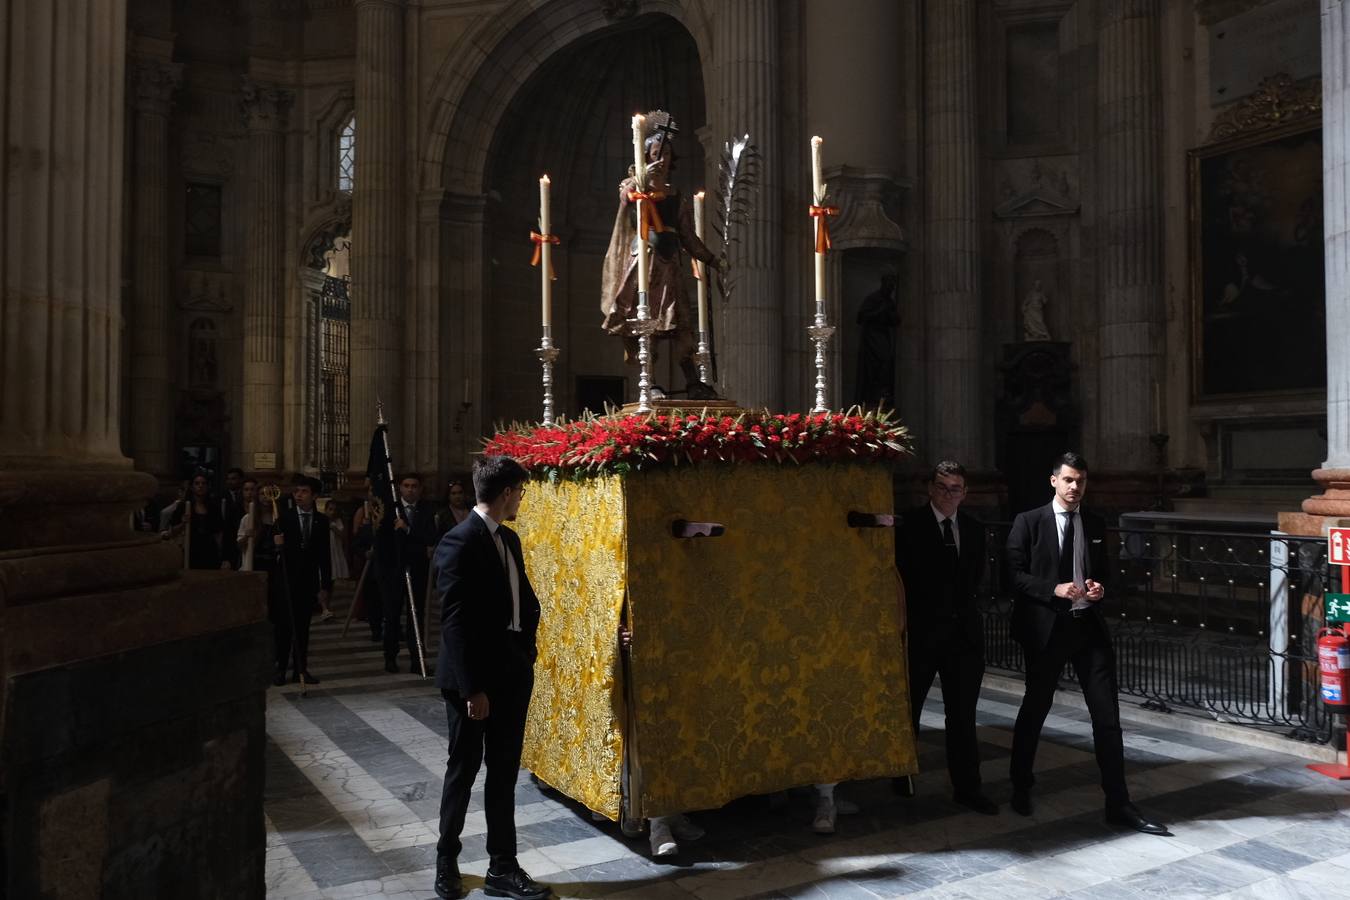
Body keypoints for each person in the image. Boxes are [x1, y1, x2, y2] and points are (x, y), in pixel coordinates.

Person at [1005, 452, 1167, 835]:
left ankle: (1118, 803)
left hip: (1087, 628)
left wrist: (1098, 588)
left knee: (1107, 718)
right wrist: (1053, 588)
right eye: (1068, 480)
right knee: (1035, 709)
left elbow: (1105, 572)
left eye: (1080, 481)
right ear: (1054, 481)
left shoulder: (1093, 522)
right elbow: (1012, 574)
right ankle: (1021, 786)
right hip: (1047, 630)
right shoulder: (1029, 521)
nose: (1075, 487)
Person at [431, 456, 548, 900]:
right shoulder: (458, 541)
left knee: (503, 773)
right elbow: (454, 622)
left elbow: (522, 603)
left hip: (511, 674)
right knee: (463, 770)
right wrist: (472, 688)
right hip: (473, 682)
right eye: (520, 492)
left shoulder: (509, 539)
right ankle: (446, 861)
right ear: (506, 493)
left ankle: (503, 866)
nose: (521, 500)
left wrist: (525, 652)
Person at [895, 461, 995, 815]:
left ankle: (968, 788)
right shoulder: (909, 526)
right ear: (930, 488)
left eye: (955, 488)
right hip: (921, 634)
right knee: (909, 711)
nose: (948, 494)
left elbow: (974, 581)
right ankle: (901, 776)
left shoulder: (974, 528)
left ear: (965, 493)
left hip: (963, 638)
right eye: (942, 486)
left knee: (963, 717)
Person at [599, 109, 719, 398]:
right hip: (645, 262)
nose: (662, 159)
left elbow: (688, 236)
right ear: (646, 156)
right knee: (647, 320)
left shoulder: (675, 195)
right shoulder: (631, 186)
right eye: (656, 153)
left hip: (670, 265)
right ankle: (649, 381)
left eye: (666, 153)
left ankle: (693, 382)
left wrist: (713, 260)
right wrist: (642, 179)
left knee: (682, 322)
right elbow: (626, 200)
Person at [377, 473, 438, 674]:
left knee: (416, 615)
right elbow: (382, 540)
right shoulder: (390, 510)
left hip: (417, 569)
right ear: (400, 488)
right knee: (392, 615)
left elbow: (430, 537)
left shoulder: (427, 510)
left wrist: (408, 529)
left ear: (420, 489)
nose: (410, 490)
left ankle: (417, 659)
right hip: (394, 570)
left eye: (414, 486)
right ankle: (390, 657)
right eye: (406, 485)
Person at [274, 475, 332, 686]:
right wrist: (277, 545)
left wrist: (325, 585)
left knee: (302, 628)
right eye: (296, 491)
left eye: (304, 491)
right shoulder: (284, 518)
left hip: (307, 582)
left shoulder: (321, 521)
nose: (299, 495)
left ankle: (301, 669)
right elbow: (272, 550)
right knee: (284, 627)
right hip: (287, 580)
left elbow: (324, 556)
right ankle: (281, 668)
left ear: (314, 496)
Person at [166, 472, 228, 570]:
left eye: (203, 483)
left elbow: (218, 532)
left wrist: (222, 555)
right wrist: (183, 523)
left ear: (207, 486)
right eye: (197, 483)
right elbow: (173, 531)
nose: (200, 486)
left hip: (209, 550)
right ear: (192, 487)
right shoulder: (183, 506)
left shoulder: (213, 507)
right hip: (190, 548)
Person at [221, 466, 247, 570]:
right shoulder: (221, 496)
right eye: (228, 479)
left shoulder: (244, 498)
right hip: (230, 539)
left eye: (233, 479)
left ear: (240, 480)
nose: (230, 482)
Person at [236, 478, 260, 571]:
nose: (250, 493)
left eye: (252, 489)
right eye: (246, 489)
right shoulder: (239, 512)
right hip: (244, 554)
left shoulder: (262, 513)